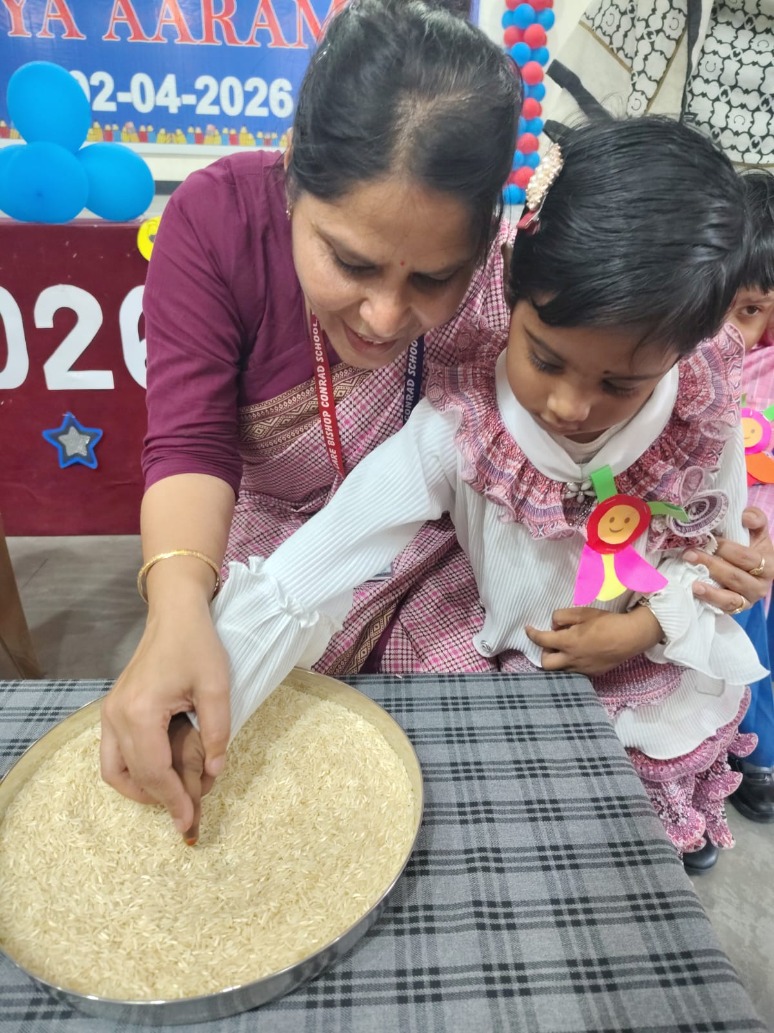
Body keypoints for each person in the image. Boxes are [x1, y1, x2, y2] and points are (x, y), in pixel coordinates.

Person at [100, 0, 774, 838]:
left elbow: (685, 514)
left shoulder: (564, 312)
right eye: (350, 261)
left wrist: (697, 564)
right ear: (291, 169)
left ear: (491, 240)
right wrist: (186, 618)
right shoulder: (227, 227)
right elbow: (226, 470)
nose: (385, 317)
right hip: (309, 542)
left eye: (432, 278)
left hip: (505, 576)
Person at [726, 171, 774, 826]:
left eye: (754, 311)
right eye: (732, 305)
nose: (732, 331)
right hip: (712, 541)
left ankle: (758, 751)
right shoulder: (679, 355)